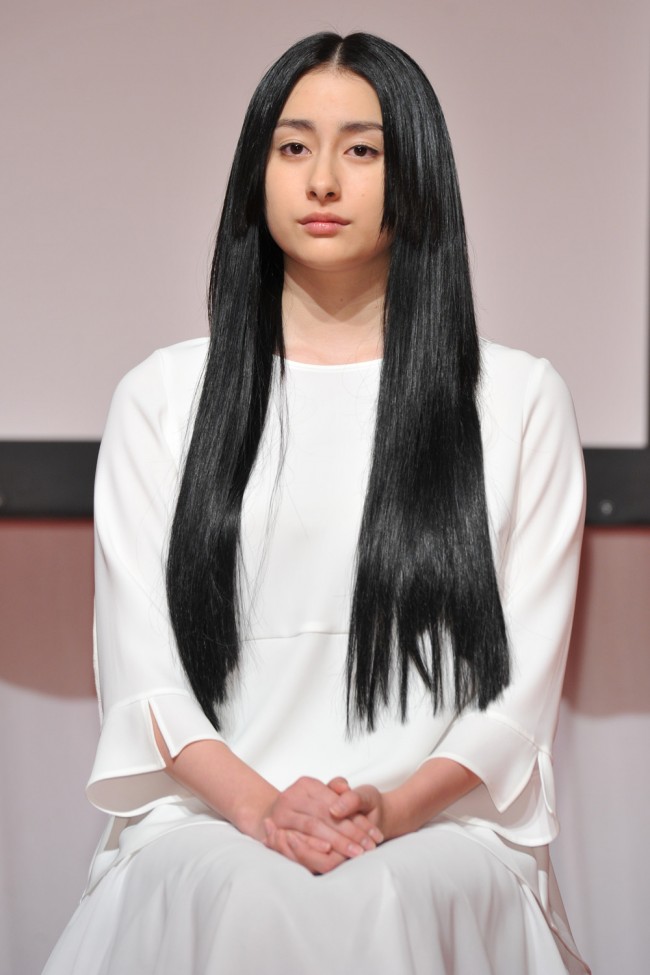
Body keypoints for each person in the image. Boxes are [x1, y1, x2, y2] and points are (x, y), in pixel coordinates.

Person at [44, 31, 590, 975]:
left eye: (362, 149)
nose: (323, 180)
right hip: (208, 822)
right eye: (293, 146)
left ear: (416, 174)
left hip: (439, 831)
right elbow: (146, 679)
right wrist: (261, 809)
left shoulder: (518, 399)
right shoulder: (163, 397)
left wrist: (391, 810)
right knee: (254, 895)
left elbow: (515, 699)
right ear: (256, 173)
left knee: (379, 897)